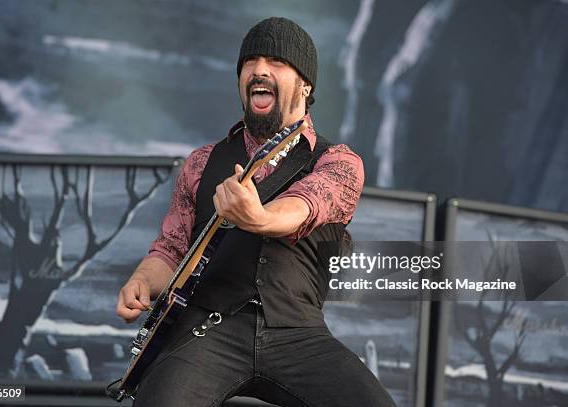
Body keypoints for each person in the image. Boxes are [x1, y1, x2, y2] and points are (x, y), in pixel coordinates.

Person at [116, 17, 397, 407]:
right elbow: (171, 249)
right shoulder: (201, 163)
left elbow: (305, 204)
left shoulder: (338, 162)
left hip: (297, 332)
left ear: (306, 84)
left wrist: (259, 218)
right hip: (208, 328)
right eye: (251, 61)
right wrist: (144, 279)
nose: (260, 70)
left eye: (277, 62)